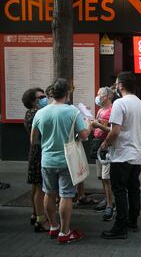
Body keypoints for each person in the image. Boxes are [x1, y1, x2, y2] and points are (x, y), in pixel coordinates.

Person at [31, 78, 90, 244]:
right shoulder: (72, 112)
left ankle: (53, 227)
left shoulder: (40, 113)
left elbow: (33, 139)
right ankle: (65, 232)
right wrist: (88, 126)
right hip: (66, 161)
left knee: (49, 193)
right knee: (66, 195)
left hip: (47, 160)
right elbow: (84, 135)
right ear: (67, 92)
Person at [100, 72, 141, 239]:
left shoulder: (120, 103)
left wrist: (105, 143)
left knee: (119, 191)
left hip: (121, 154)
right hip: (136, 153)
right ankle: (132, 221)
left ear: (120, 86)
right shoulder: (139, 103)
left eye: (117, 83)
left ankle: (120, 226)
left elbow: (115, 131)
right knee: (134, 189)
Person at [22, 87, 50, 232]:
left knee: (36, 186)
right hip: (39, 153)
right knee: (40, 188)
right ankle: (41, 220)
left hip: (35, 153)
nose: (45, 98)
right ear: (33, 101)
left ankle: (35, 214)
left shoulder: (32, 113)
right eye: (41, 97)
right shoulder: (35, 114)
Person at [90, 87, 114, 221]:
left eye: (99, 94)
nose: (97, 97)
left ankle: (110, 205)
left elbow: (112, 129)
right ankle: (107, 199)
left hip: (106, 145)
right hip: (97, 144)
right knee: (101, 176)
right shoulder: (100, 110)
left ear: (106, 96)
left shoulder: (112, 110)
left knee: (106, 177)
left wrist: (98, 125)